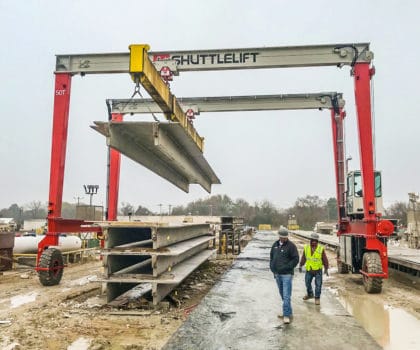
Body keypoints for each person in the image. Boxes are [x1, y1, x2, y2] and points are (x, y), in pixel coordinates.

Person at [270, 227, 299, 324]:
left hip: (287, 275)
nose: (283, 239)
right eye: (282, 237)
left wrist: (287, 267)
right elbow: (271, 257)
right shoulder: (275, 245)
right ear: (279, 236)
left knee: (286, 295)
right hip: (277, 274)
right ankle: (288, 312)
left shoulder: (291, 246)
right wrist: (272, 268)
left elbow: (295, 259)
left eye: (285, 237)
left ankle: (286, 316)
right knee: (283, 295)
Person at [298, 233, 329, 305]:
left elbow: (325, 259)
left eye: (315, 241)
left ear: (317, 241)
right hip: (309, 270)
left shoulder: (321, 249)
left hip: (318, 270)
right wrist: (300, 265)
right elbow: (303, 258)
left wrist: (326, 268)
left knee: (318, 285)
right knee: (307, 283)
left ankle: (317, 298)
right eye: (312, 240)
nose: (314, 242)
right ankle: (310, 294)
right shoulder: (306, 248)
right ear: (310, 240)